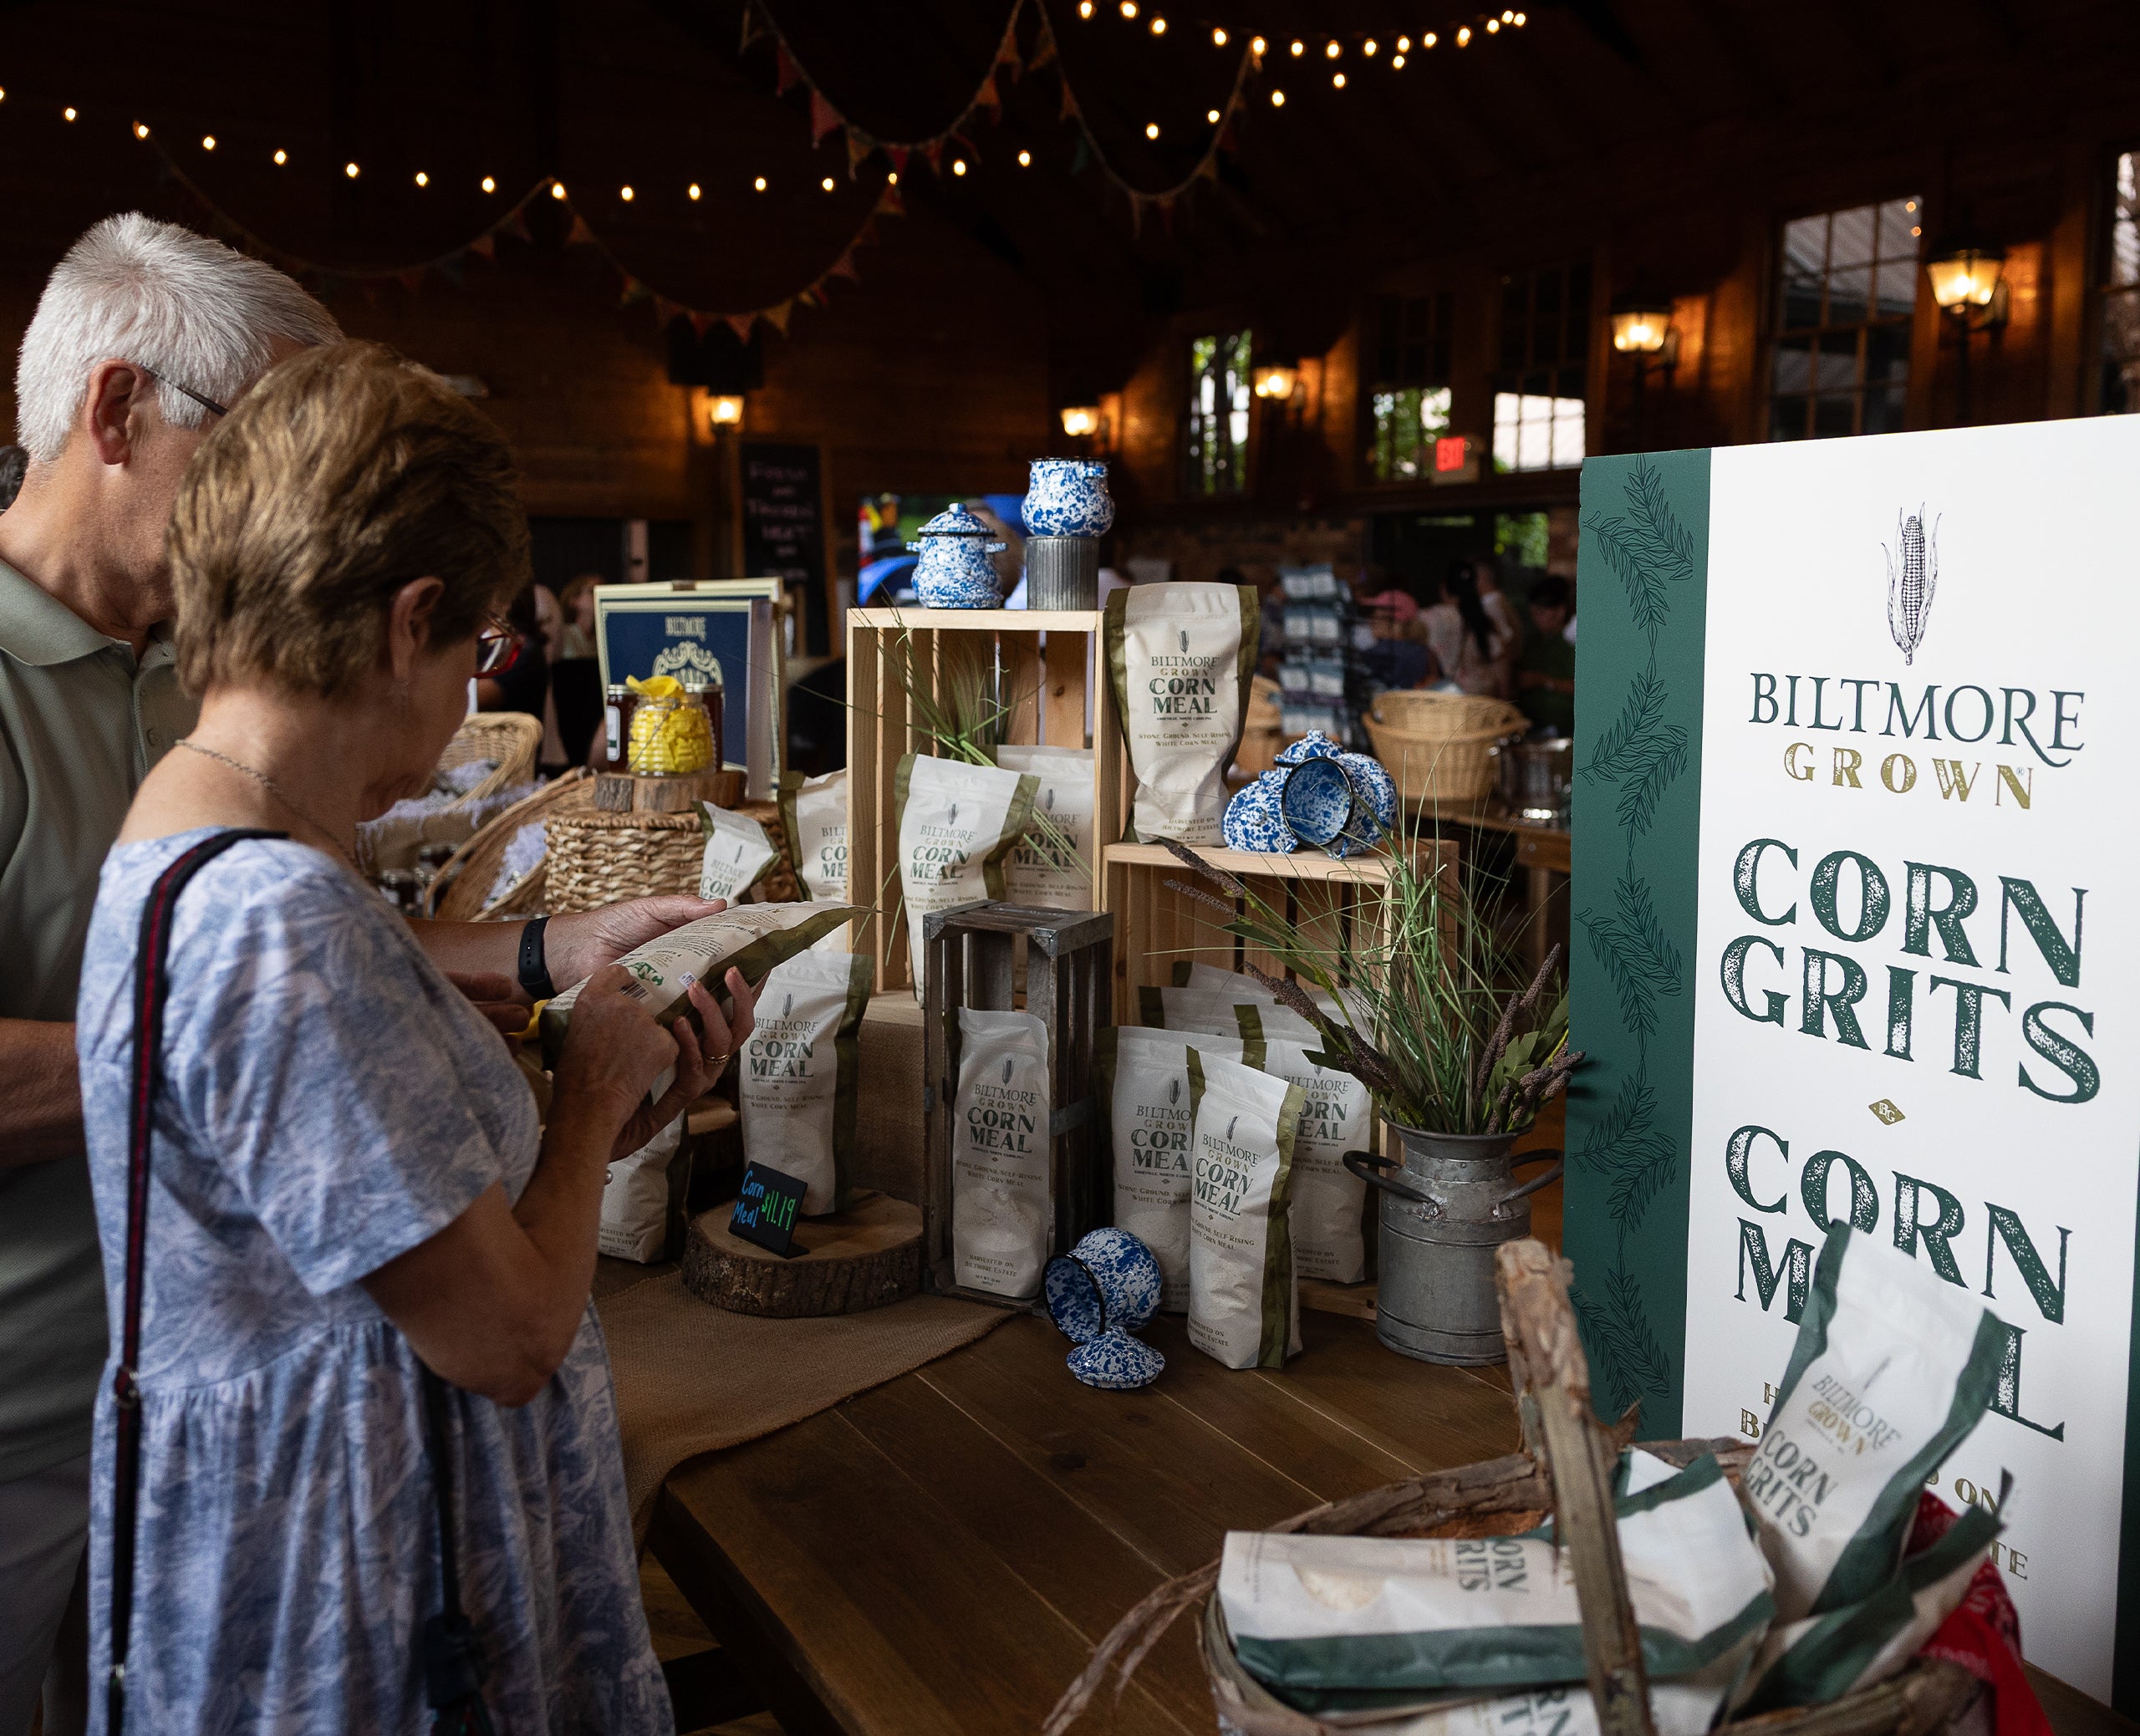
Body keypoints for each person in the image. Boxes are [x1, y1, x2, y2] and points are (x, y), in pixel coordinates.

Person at [0, 215, 718, 1736]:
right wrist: (590, 1093)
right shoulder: (273, 910)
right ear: (406, 629)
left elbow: (324, 1111)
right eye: (471, 654)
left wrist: (551, 1005)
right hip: (298, 1536)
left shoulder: (190, 778)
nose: (463, 706)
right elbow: (501, 1337)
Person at [1411, 558, 1514, 695]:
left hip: (1449, 696)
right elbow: (1500, 665)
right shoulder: (1485, 620)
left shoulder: (1431, 617)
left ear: (1444, 588)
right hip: (1482, 698)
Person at [1516, 573, 1577, 733]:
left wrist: (1542, 680)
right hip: (1528, 722)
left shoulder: (1572, 643)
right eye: (1533, 613)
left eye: (1541, 613)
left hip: (1563, 725)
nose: (1536, 619)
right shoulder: (1533, 641)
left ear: (1560, 611)